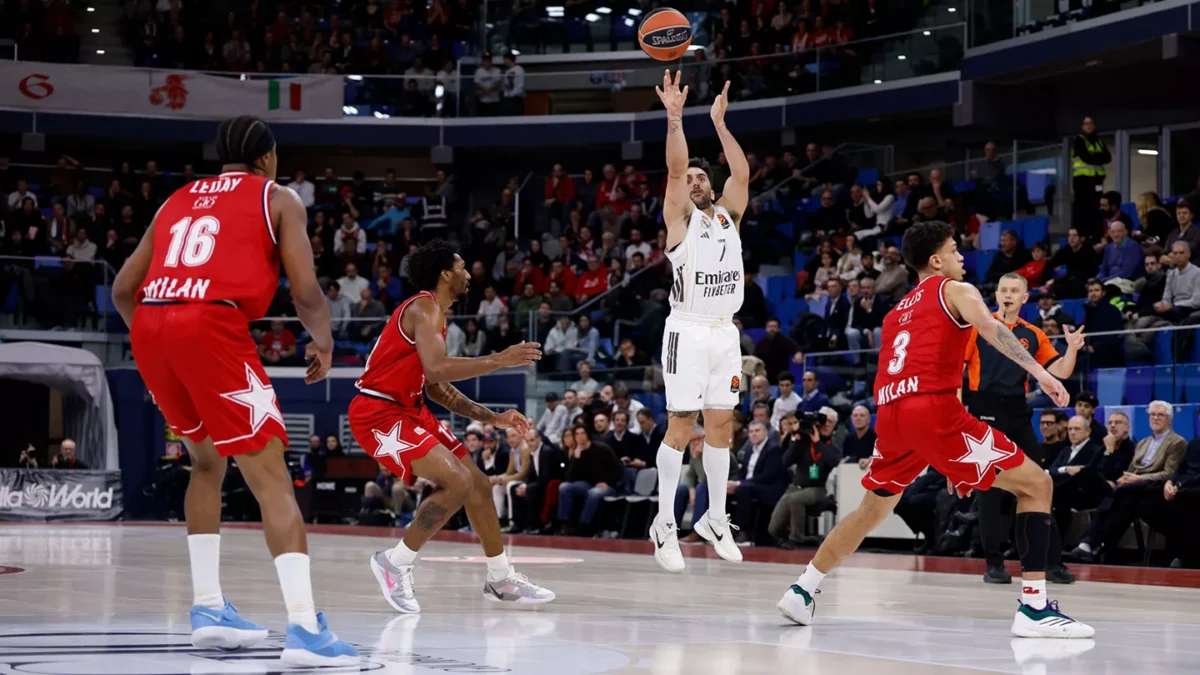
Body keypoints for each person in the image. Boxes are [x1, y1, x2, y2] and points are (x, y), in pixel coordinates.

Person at [111, 117, 358, 666]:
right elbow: (306, 292)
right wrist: (324, 342)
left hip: (151, 325)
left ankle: (208, 609)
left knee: (205, 465)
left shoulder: (176, 199)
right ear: (267, 157)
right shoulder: (278, 198)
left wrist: (159, 347)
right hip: (210, 323)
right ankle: (305, 629)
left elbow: (124, 288)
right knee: (271, 477)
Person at [776, 220, 1093, 639]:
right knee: (1037, 485)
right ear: (936, 260)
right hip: (933, 410)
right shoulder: (955, 290)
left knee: (872, 509)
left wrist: (947, 459)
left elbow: (921, 367)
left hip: (892, 414)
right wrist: (1041, 373)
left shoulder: (895, 313)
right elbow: (992, 328)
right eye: (955, 249)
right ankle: (1034, 608)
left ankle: (803, 589)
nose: (962, 256)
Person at [346, 238, 554, 614]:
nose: (468, 274)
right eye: (461, 268)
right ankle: (395, 563)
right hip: (378, 412)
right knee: (457, 482)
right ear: (445, 274)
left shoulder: (435, 315)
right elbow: (438, 369)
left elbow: (437, 388)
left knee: (477, 484)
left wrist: (492, 417)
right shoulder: (424, 306)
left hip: (409, 409)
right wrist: (499, 359)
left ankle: (500, 577)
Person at [650, 72, 751, 570]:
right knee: (681, 424)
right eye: (689, 180)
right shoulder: (678, 223)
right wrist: (675, 118)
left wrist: (719, 123)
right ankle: (665, 523)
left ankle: (714, 518)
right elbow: (674, 169)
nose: (695, 182)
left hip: (725, 332)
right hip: (687, 329)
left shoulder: (729, 214)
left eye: (701, 178)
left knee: (721, 425)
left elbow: (742, 174)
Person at [962, 273, 1085, 586]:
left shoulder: (1033, 334)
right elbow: (957, 372)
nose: (1008, 294)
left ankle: (1051, 562)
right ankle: (994, 563)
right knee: (989, 489)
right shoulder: (978, 327)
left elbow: (1058, 371)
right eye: (1003, 289)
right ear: (996, 295)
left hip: (1017, 413)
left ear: (1024, 298)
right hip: (983, 411)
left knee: (1040, 483)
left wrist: (1072, 349)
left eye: (1014, 290)